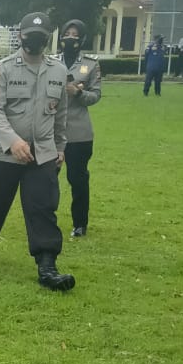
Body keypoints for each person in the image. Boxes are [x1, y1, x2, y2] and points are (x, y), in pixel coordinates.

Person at [0, 13, 76, 290]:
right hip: (4, 153)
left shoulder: (57, 71)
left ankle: (47, 265)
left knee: (43, 206)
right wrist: (13, 141)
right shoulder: (3, 68)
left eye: (40, 36)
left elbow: (61, 114)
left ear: (48, 38)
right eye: (29, 34)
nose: (34, 40)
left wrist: (61, 146)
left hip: (43, 153)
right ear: (20, 35)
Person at [58, 19, 102, 237]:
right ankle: (46, 218)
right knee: (46, 178)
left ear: (82, 39)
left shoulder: (91, 64)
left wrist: (78, 93)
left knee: (78, 179)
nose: (70, 38)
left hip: (78, 131)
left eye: (75, 34)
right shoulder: (51, 62)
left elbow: (96, 95)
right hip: (52, 130)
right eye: (67, 33)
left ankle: (80, 224)